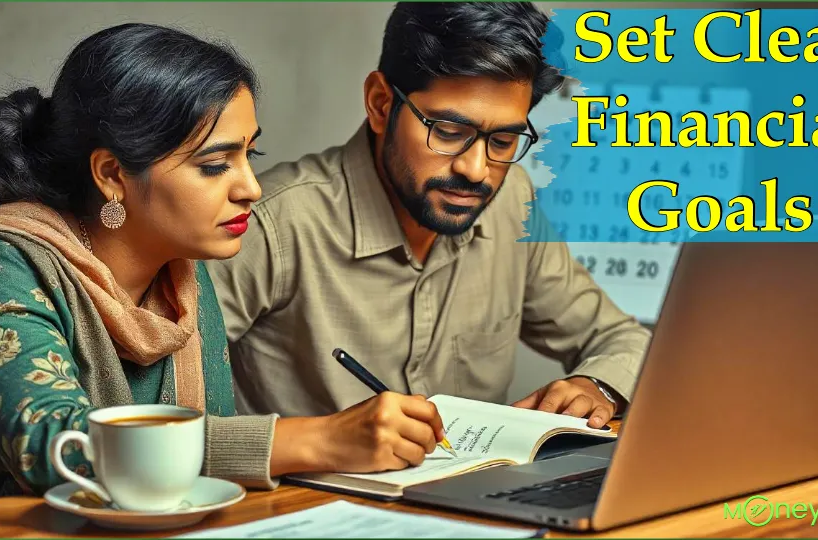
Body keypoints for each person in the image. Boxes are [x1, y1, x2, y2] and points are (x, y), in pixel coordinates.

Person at [207, 2, 652, 478]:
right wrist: (319, 440)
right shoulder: (273, 222)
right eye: (449, 131)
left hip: (474, 510)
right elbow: (137, 427)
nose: (476, 170)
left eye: (502, 142)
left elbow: (623, 338)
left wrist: (597, 386)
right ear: (381, 104)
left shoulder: (511, 203)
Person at [0, 22, 343, 504]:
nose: (251, 188)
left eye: (249, 154)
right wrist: (319, 441)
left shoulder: (180, 277)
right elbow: (55, 452)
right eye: (215, 165)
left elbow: (197, 482)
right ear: (113, 175)